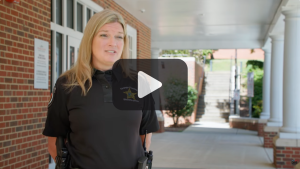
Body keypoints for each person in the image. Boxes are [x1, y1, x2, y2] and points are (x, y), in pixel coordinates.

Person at [43, 9, 159, 169]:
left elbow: (145, 138)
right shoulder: (67, 84)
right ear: (90, 39)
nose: (113, 43)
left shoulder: (140, 82)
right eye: (104, 35)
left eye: (119, 36)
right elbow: (53, 142)